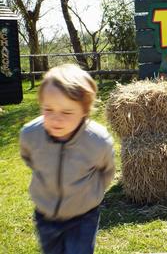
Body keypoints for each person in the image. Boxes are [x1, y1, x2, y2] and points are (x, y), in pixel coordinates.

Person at [20, 64, 115, 254]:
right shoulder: (31, 135)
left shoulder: (97, 141)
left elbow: (107, 171)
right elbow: (29, 158)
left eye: (67, 112)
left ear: (84, 112)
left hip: (83, 216)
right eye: (48, 109)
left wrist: (91, 195)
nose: (56, 119)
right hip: (46, 215)